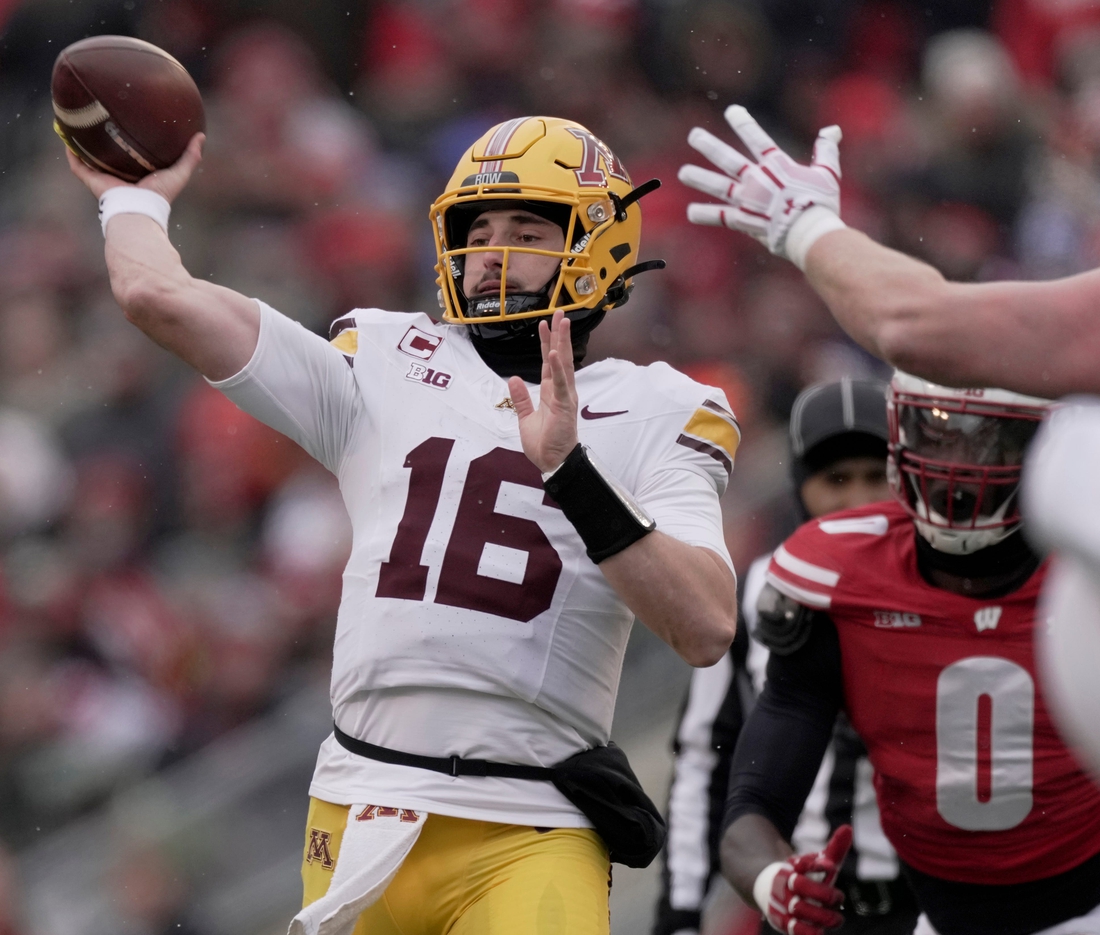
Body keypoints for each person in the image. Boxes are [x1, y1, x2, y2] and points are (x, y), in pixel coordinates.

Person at [65, 115, 740, 934]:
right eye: (477, 229)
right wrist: (130, 202)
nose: (490, 251)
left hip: (528, 824)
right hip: (356, 808)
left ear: (601, 247)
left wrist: (571, 470)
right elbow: (154, 296)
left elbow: (706, 625)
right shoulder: (382, 358)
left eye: (526, 229)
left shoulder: (658, 407)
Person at [677, 100, 1100, 846]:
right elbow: (747, 786)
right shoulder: (837, 561)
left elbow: (916, 325)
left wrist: (805, 227)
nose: (961, 464)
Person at [718, 370, 1100, 935]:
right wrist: (773, 877)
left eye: (988, 436)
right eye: (940, 433)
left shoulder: (1083, 563)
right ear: (902, 435)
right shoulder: (838, 574)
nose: (959, 463)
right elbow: (754, 800)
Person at [654, 379, 918, 935]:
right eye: (837, 480)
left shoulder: (944, 582)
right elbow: (705, 760)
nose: (858, 501)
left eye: (877, 477)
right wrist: (680, 914)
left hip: (936, 905)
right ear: (801, 488)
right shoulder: (757, 595)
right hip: (810, 906)